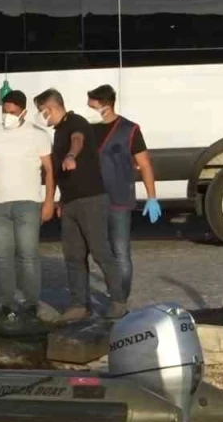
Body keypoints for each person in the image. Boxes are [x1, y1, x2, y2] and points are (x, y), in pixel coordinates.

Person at [34, 89, 129, 321]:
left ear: (52, 108)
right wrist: (59, 200)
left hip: (91, 199)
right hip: (71, 203)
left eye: (41, 111)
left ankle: (118, 301)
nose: (40, 116)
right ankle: (79, 304)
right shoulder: (57, 132)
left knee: (100, 251)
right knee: (73, 255)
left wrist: (71, 156)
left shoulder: (75, 122)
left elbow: (78, 140)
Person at [0, 90, 55, 326]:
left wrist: (49, 201)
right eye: (4, 111)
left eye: (12, 112)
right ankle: (6, 305)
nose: (7, 115)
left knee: (28, 256)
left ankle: (31, 305)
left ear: (24, 112)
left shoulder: (39, 135)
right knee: (3, 258)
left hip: (28, 204)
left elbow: (49, 170)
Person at [85, 84, 161, 300]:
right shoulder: (87, 130)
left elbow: (144, 164)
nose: (88, 110)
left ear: (105, 106)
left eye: (92, 106)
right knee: (99, 253)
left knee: (120, 253)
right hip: (92, 201)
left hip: (119, 200)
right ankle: (105, 295)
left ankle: (120, 299)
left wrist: (152, 197)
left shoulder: (129, 130)